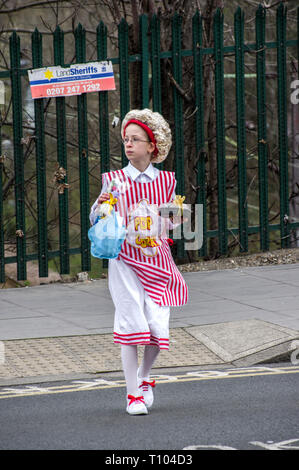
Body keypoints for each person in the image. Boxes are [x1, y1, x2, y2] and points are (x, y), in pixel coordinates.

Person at [90, 108, 188, 415]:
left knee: (158, 329)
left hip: (158, 260)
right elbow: (95, 216)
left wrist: (175, 216)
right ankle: (132, 394)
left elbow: (170, 222)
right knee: (132, 324)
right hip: (125, 261)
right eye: (126, 139)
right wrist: (103, 209)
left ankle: (145, 377)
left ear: (152, 145)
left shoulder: (166, 181)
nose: (129, 144)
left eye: (136, 139)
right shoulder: (114, 180)